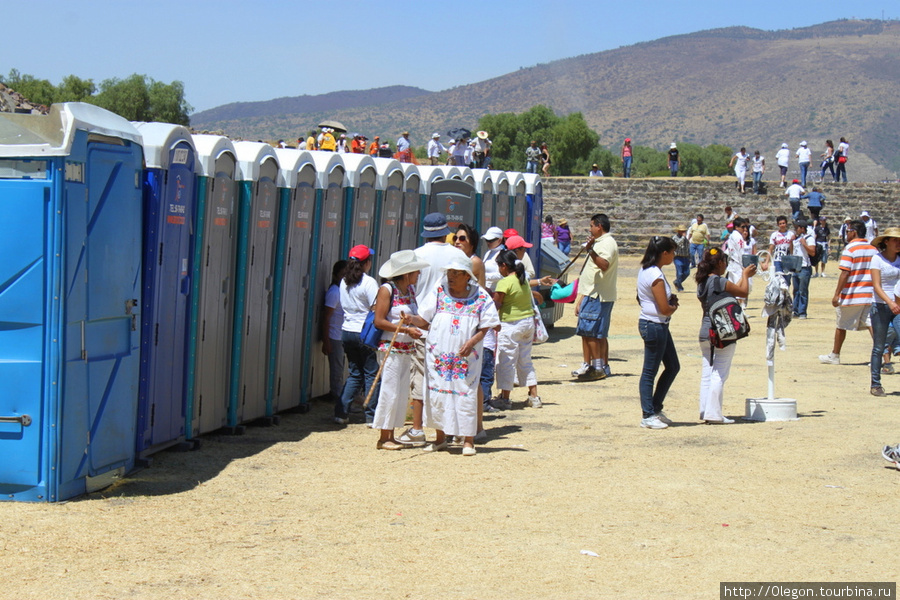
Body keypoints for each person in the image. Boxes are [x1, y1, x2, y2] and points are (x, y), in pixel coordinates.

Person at [397, 213, 469, 446]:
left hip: (423, 323)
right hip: (454, 324)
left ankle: (418, 429)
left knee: (421, 376)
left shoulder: (416, 255)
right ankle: (453, 428)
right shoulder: (458, 254)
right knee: (454, 376)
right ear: (445, 231)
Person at [416, 256, 500, 455]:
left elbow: (487, 325)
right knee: (438, 391)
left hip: (466, 357)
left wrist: (471, 343)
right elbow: (423, 318)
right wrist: (409, 319)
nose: (450, 277)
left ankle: (468, 440)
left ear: (466, 276)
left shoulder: (480, 296)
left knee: (466, 393)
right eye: (449, 273)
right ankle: (439, 438)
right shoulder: (439, 291)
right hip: (439, 355)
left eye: (455, 273)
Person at [371, 250, 429, 450]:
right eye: (416, 271)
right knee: (390, 390)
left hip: (406, 349)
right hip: (391, 348)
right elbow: (379, 321)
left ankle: (391, 433)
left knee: (401, 392)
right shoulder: (387, 290)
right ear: (406, 273)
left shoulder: (410, 291)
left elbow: (415, 316)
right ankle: (383, 435)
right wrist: (405, 328)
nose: (418, 274)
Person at [695, 247, 756, 424]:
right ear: (720, 263)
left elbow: (733, 290)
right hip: (721, 332)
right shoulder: (718, 281)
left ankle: (705, 408)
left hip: (705, 331)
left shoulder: (702, 282)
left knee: (708, 371)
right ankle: (713, 413)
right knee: (720, 372)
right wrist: (745, 275)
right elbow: (743, 292)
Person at [636, 236, 680, 429]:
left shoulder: (647, 270)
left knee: (672, 366)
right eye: (672, 252)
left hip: (656, 323)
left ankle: (654, 407)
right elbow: (664, 308)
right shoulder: (654, 275)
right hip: (654, 324)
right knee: (649, 372)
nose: (673, 256)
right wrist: (673, 307)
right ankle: (647, 414)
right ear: (664, 253)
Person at [819, 220, 877, 366]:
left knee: (841, 325)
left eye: (848, 231)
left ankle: (835, 354)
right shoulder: (873, 249)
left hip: (852, 294)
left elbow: (845, 273)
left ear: (854, 232)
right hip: (870, 294)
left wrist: (837, 293)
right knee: (872, 325)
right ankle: (879, 354)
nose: (846, 233)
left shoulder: (850, 249)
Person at [334, 245, 379, 425]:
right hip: (364, 332)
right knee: (370, 373)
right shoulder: (368, 283)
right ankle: (371, 415)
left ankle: (341, 412)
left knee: (354, 373)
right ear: (367, 263)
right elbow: (375, 307)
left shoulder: (344, 281)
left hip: (347, 331)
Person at [454, 224, 494, 425]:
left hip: (473, 322)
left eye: (462, 239)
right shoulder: (459, 260)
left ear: (472, 244)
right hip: (460, 321)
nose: (457, 242)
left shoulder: (473, 262)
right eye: (456, 238)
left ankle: (475, 424)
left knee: (472, 376)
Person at [572, 214, 619, 381]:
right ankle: (599, 366)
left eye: (591, 226)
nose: (590, 229)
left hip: (597, 296)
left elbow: (604, 265)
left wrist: (591, 250)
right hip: (594, 294)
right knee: (595, 333)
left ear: (599, 226)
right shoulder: (603, 243)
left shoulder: (606, 243)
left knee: (591, 332)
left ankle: (598, 367)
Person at [493, 250, 542, 409]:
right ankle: (534, 396)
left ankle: (505, 397)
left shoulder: (505, 282)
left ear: (504, 266)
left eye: (499, 266)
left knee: (506, 361)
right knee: (525, 360)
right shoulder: (523, 280)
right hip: (527, 324)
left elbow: (497, 304)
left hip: (511, 325)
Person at [867, 228, 900, 397]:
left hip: (898, 305)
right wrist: (889, 302)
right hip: (881, 305)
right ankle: (875, 384)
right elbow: (876, 285)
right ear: (886, 241)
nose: (898, 243)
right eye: (895, 240)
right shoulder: (876, 259)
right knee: (879, 347)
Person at [321, 260, 347, 410]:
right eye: (342, 274)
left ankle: (337, 394)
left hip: (340, 335)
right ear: (335, 275)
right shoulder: (334, 292)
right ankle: (336, 396)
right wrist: (326, 341)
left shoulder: (342, 291)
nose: (345, 277)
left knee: (340, 366)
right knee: (336, 368)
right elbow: (326, 318)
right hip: (334, 335)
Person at [791, 219, 816, 319]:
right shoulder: (796, 238)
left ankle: (802, 312)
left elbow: (812, 252)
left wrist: (804, 243)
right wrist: (791, 241)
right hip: (796, 267)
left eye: (797, 228)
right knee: (796, 290)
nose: (795, 230)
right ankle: (795, 310)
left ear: (802, 228)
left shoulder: (809, 238)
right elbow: (792, 251)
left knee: (803, 291)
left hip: (804, 267)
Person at [768, 215, 796, 286]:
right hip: (777, 259)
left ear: (786, 223)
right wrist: (766, 261)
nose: (782, 225)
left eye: (783, 223)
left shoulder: (791, 234)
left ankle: (786, 295)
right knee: (779, 279)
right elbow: (770, 248)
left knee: (787, 279)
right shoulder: (774, 235)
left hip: (788, 259)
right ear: (778, 225)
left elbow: (792, 248)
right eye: (780, 224)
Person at [672, 224, 691, 293]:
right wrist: (683, 238)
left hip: (685, 257)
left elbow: (687, 248)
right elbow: (677, 245)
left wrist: (689, 257)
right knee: (679, 273)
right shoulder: (675, 238)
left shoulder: (685, 238)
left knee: (687, 273)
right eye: (682, 231)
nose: (683, 232)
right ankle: (680, 288)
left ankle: (677, 282)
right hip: (678, 257)